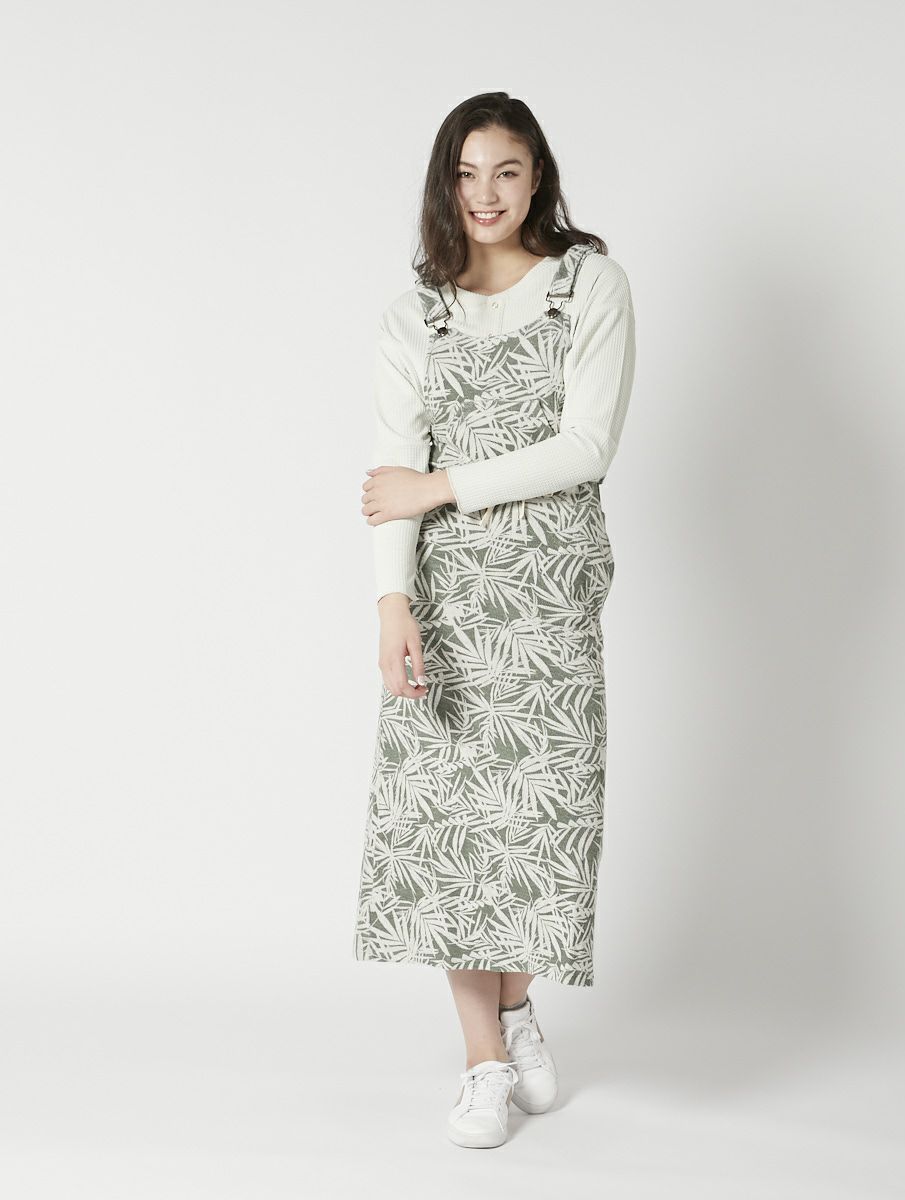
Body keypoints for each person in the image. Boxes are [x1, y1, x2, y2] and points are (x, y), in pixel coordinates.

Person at [354, 91, 636, 1149]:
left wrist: (441, 486)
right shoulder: (413, 318)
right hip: (449, 603)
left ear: (537, 177)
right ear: (446, 184)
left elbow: (586, 446)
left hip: (551, 598)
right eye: (466, 174)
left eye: (506, 172)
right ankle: (483, 1059)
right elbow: (392, 472)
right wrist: (392, 602)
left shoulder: (587, 286)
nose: (485, 194)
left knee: (535, 822)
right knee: (451, 832)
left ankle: (517, 1009)